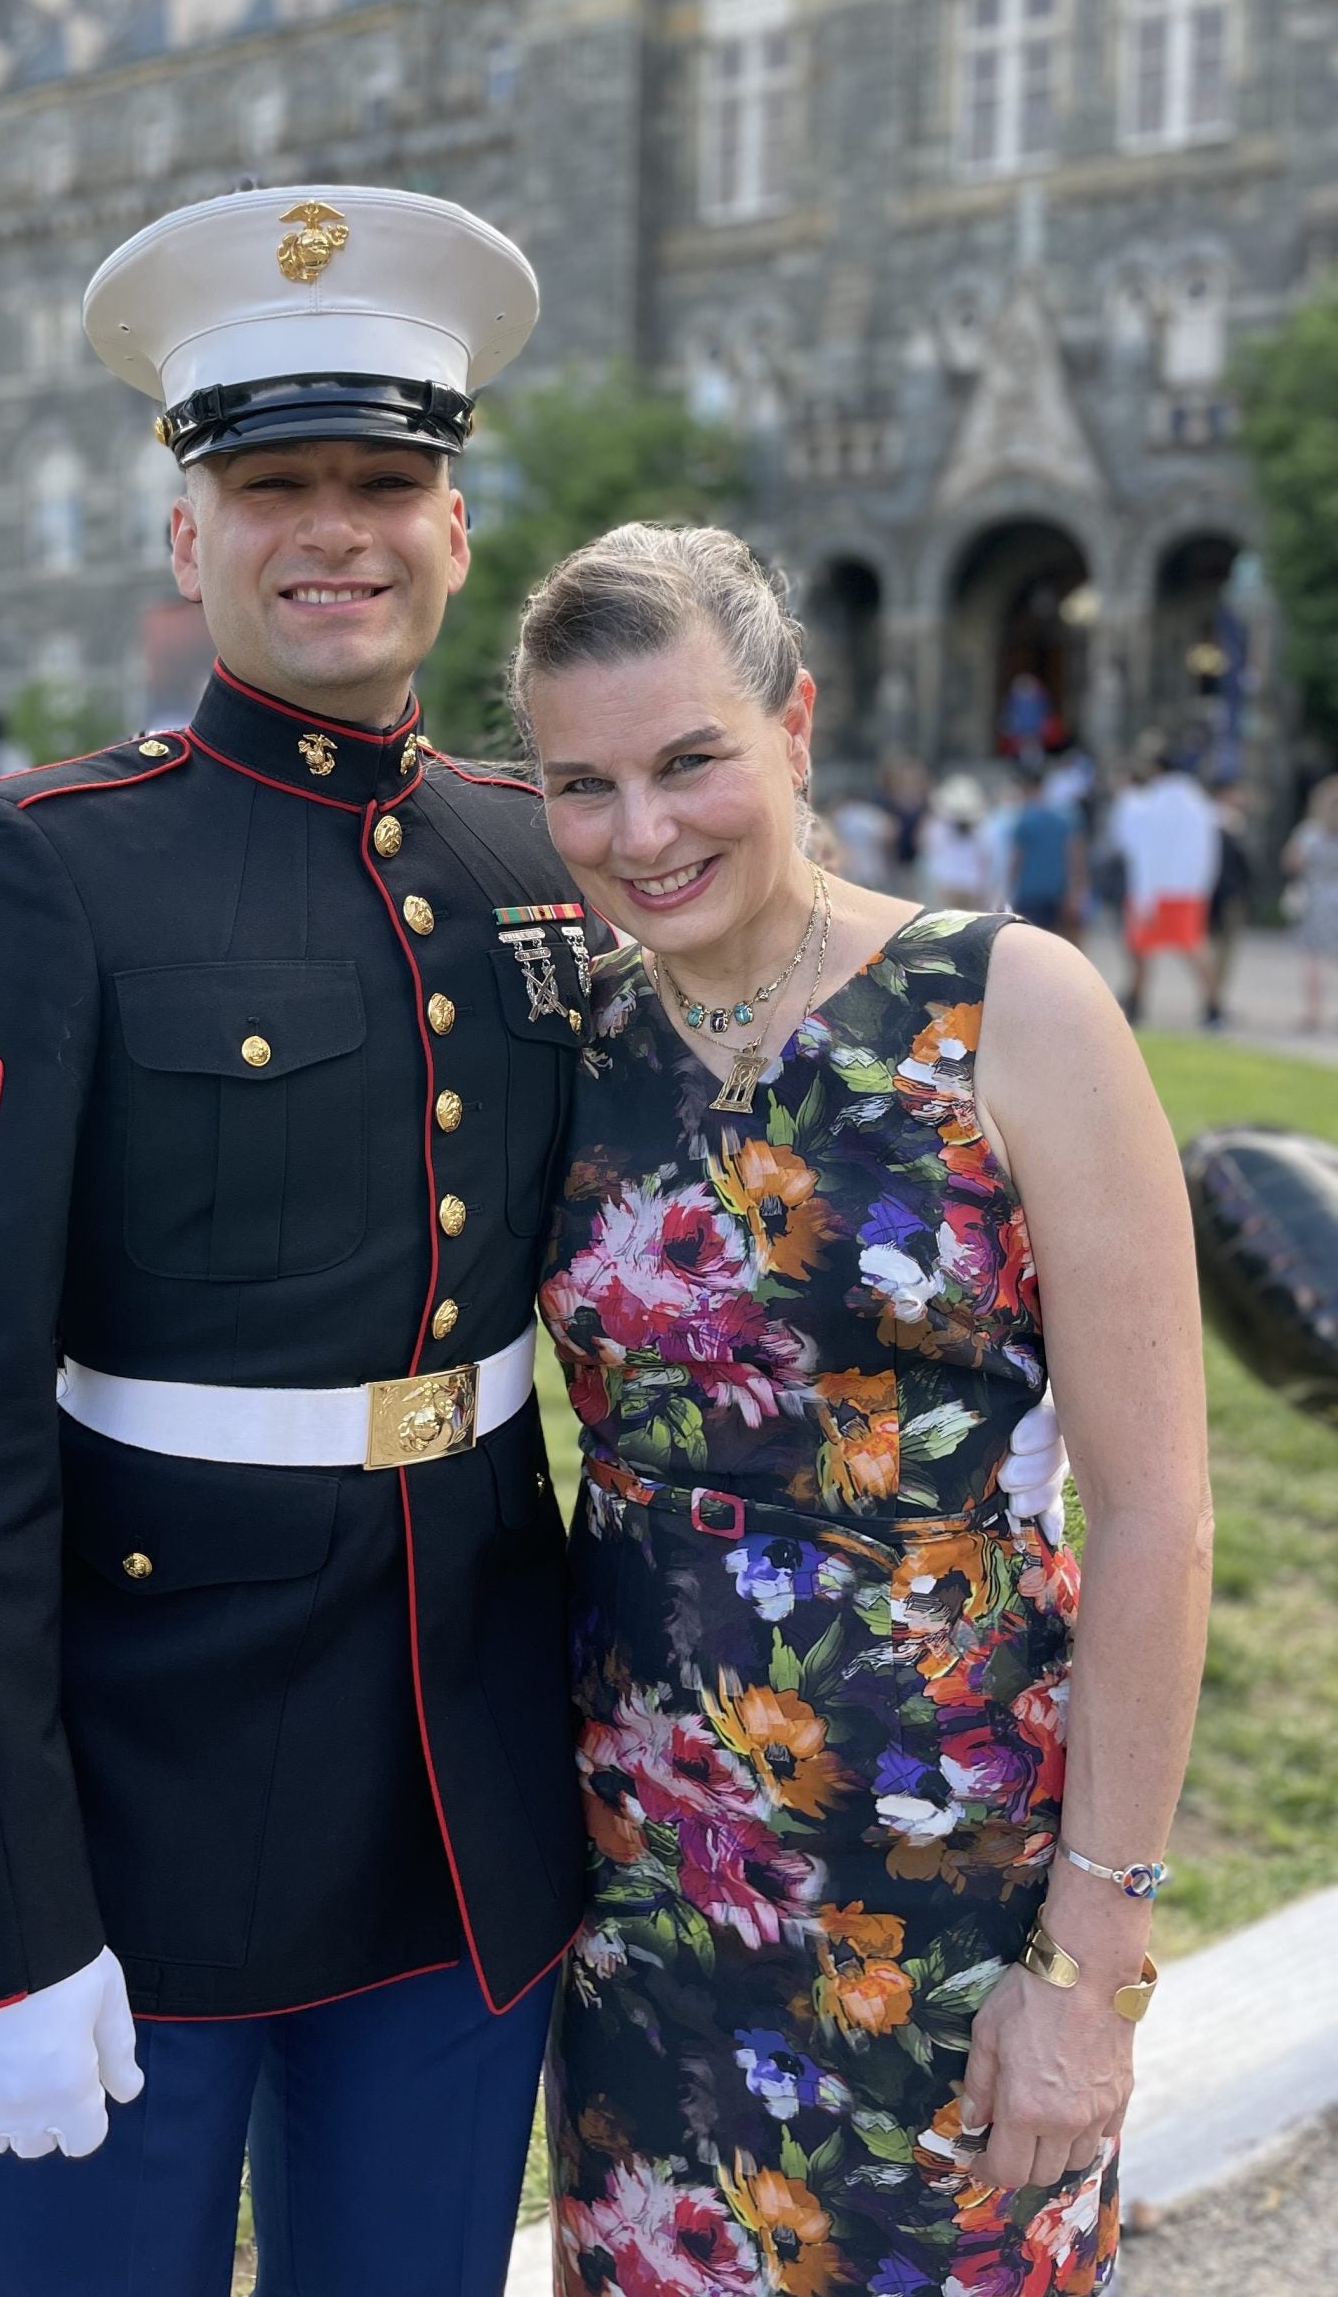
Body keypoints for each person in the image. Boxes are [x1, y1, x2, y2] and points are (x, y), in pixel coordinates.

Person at [0, 186, 595, 2296]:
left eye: (386, 479)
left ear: (454, 525)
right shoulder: (37, 871)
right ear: (190, 533)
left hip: (468, 1789)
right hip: (139, 1809)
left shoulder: (541, 851)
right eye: (274, 483)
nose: (333, 527)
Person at [519, 526, 1209, 2297]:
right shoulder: (580, 1037)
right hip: (646, 1894)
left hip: (952, 1892)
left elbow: (1156, 1515)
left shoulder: (1010, 1006)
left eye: (689, 761)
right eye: (580, 786)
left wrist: (1095, 1957)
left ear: (797, 726)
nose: (641, 831)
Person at [1106, 735, 1220, 1027]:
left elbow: (1131, 844)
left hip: (1152, 887)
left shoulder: (1146, 804)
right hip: (1188, 887)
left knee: (1141, 949)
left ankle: (1137, 1000)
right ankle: (1212, 1004)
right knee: (1194, 946)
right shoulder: (1200, 803)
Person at [1283, 773, 1338, 1033]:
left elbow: (1292, 862)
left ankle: (1313, 1013)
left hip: (1316, 898)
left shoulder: (1310, 832)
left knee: (1314, 959)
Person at [1006, 763, 1084, 935]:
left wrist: (1008, 889)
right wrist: (1075, 890)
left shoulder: (1023, 820)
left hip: (1029, 892)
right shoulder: (1063, 818)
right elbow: (1073, 856)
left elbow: (1016, 860)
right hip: (1056, 891)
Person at [1204, 777, 1255, 1033]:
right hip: (1226, 896)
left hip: (1210, 894)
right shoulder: (1225, 822)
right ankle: (1214, 1002)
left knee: (1215, 951)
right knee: (1222, 951)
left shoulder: (1207, 819)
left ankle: (1214, 1000)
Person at [919, 772, 1002, 911]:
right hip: (966, 884)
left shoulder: (938, 825)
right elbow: (986, 859)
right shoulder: (981, 828)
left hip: (949, 882)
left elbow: (926, 846)